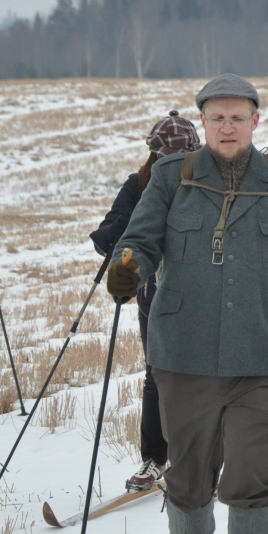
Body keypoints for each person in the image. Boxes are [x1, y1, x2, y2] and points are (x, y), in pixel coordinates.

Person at [105, 73, 268, 534]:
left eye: (238, 118)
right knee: (190, 481)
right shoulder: (171, 176)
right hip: (183, 354)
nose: (228, 127)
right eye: (217, 118)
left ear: (255, 121)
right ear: (202, 121)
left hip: (260, 353)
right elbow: (138, 242)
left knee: (250, 480)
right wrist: (126, 271)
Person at [90, 110, 201, 492]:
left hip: (203, 295)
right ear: (153, 155)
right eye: (162, 157)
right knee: (156, 375)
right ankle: (155, 458)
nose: (169, 164)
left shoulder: (206, 182)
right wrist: (114, 238)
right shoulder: (138, 184)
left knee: (203, 376)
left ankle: (200, 457)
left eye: (179, 156)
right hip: (153, 297)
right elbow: (115, 225)